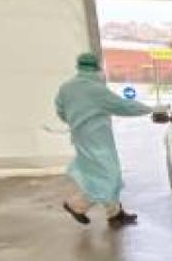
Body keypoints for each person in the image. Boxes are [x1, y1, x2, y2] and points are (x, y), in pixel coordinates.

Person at [54, 52, 152, 227]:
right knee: (109, 176)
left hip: (81, 137)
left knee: (99, 174)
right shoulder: (94, 89)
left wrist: (77, 122)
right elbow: (123, 106)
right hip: (97, 138)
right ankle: (77, 205)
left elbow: (61, 111)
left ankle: (115, 214)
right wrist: (149, 108)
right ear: (96, 68)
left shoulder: (66, 88)